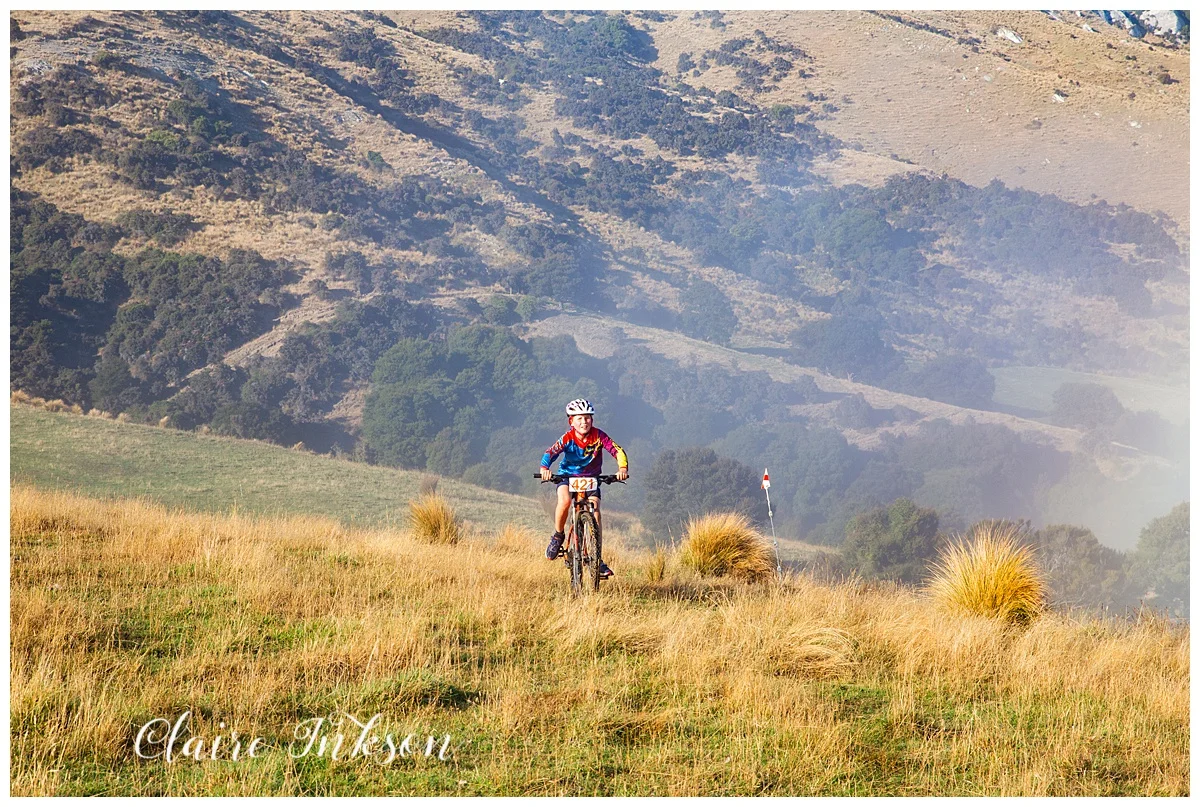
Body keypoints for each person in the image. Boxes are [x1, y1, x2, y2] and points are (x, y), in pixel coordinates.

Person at [539, 398, 628, 578]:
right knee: (564, 501)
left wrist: (622, 468)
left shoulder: (599, 436)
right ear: (571, 421)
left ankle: (596, 557)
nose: (583, 422)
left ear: (592, 420)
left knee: (595, 512)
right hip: (567, 477)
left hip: (591, 479)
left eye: (587, 418)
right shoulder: (568, 438)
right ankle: (558, 536)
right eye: (579, 418)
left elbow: (617, 450)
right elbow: (551, 452)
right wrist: (544, 469)